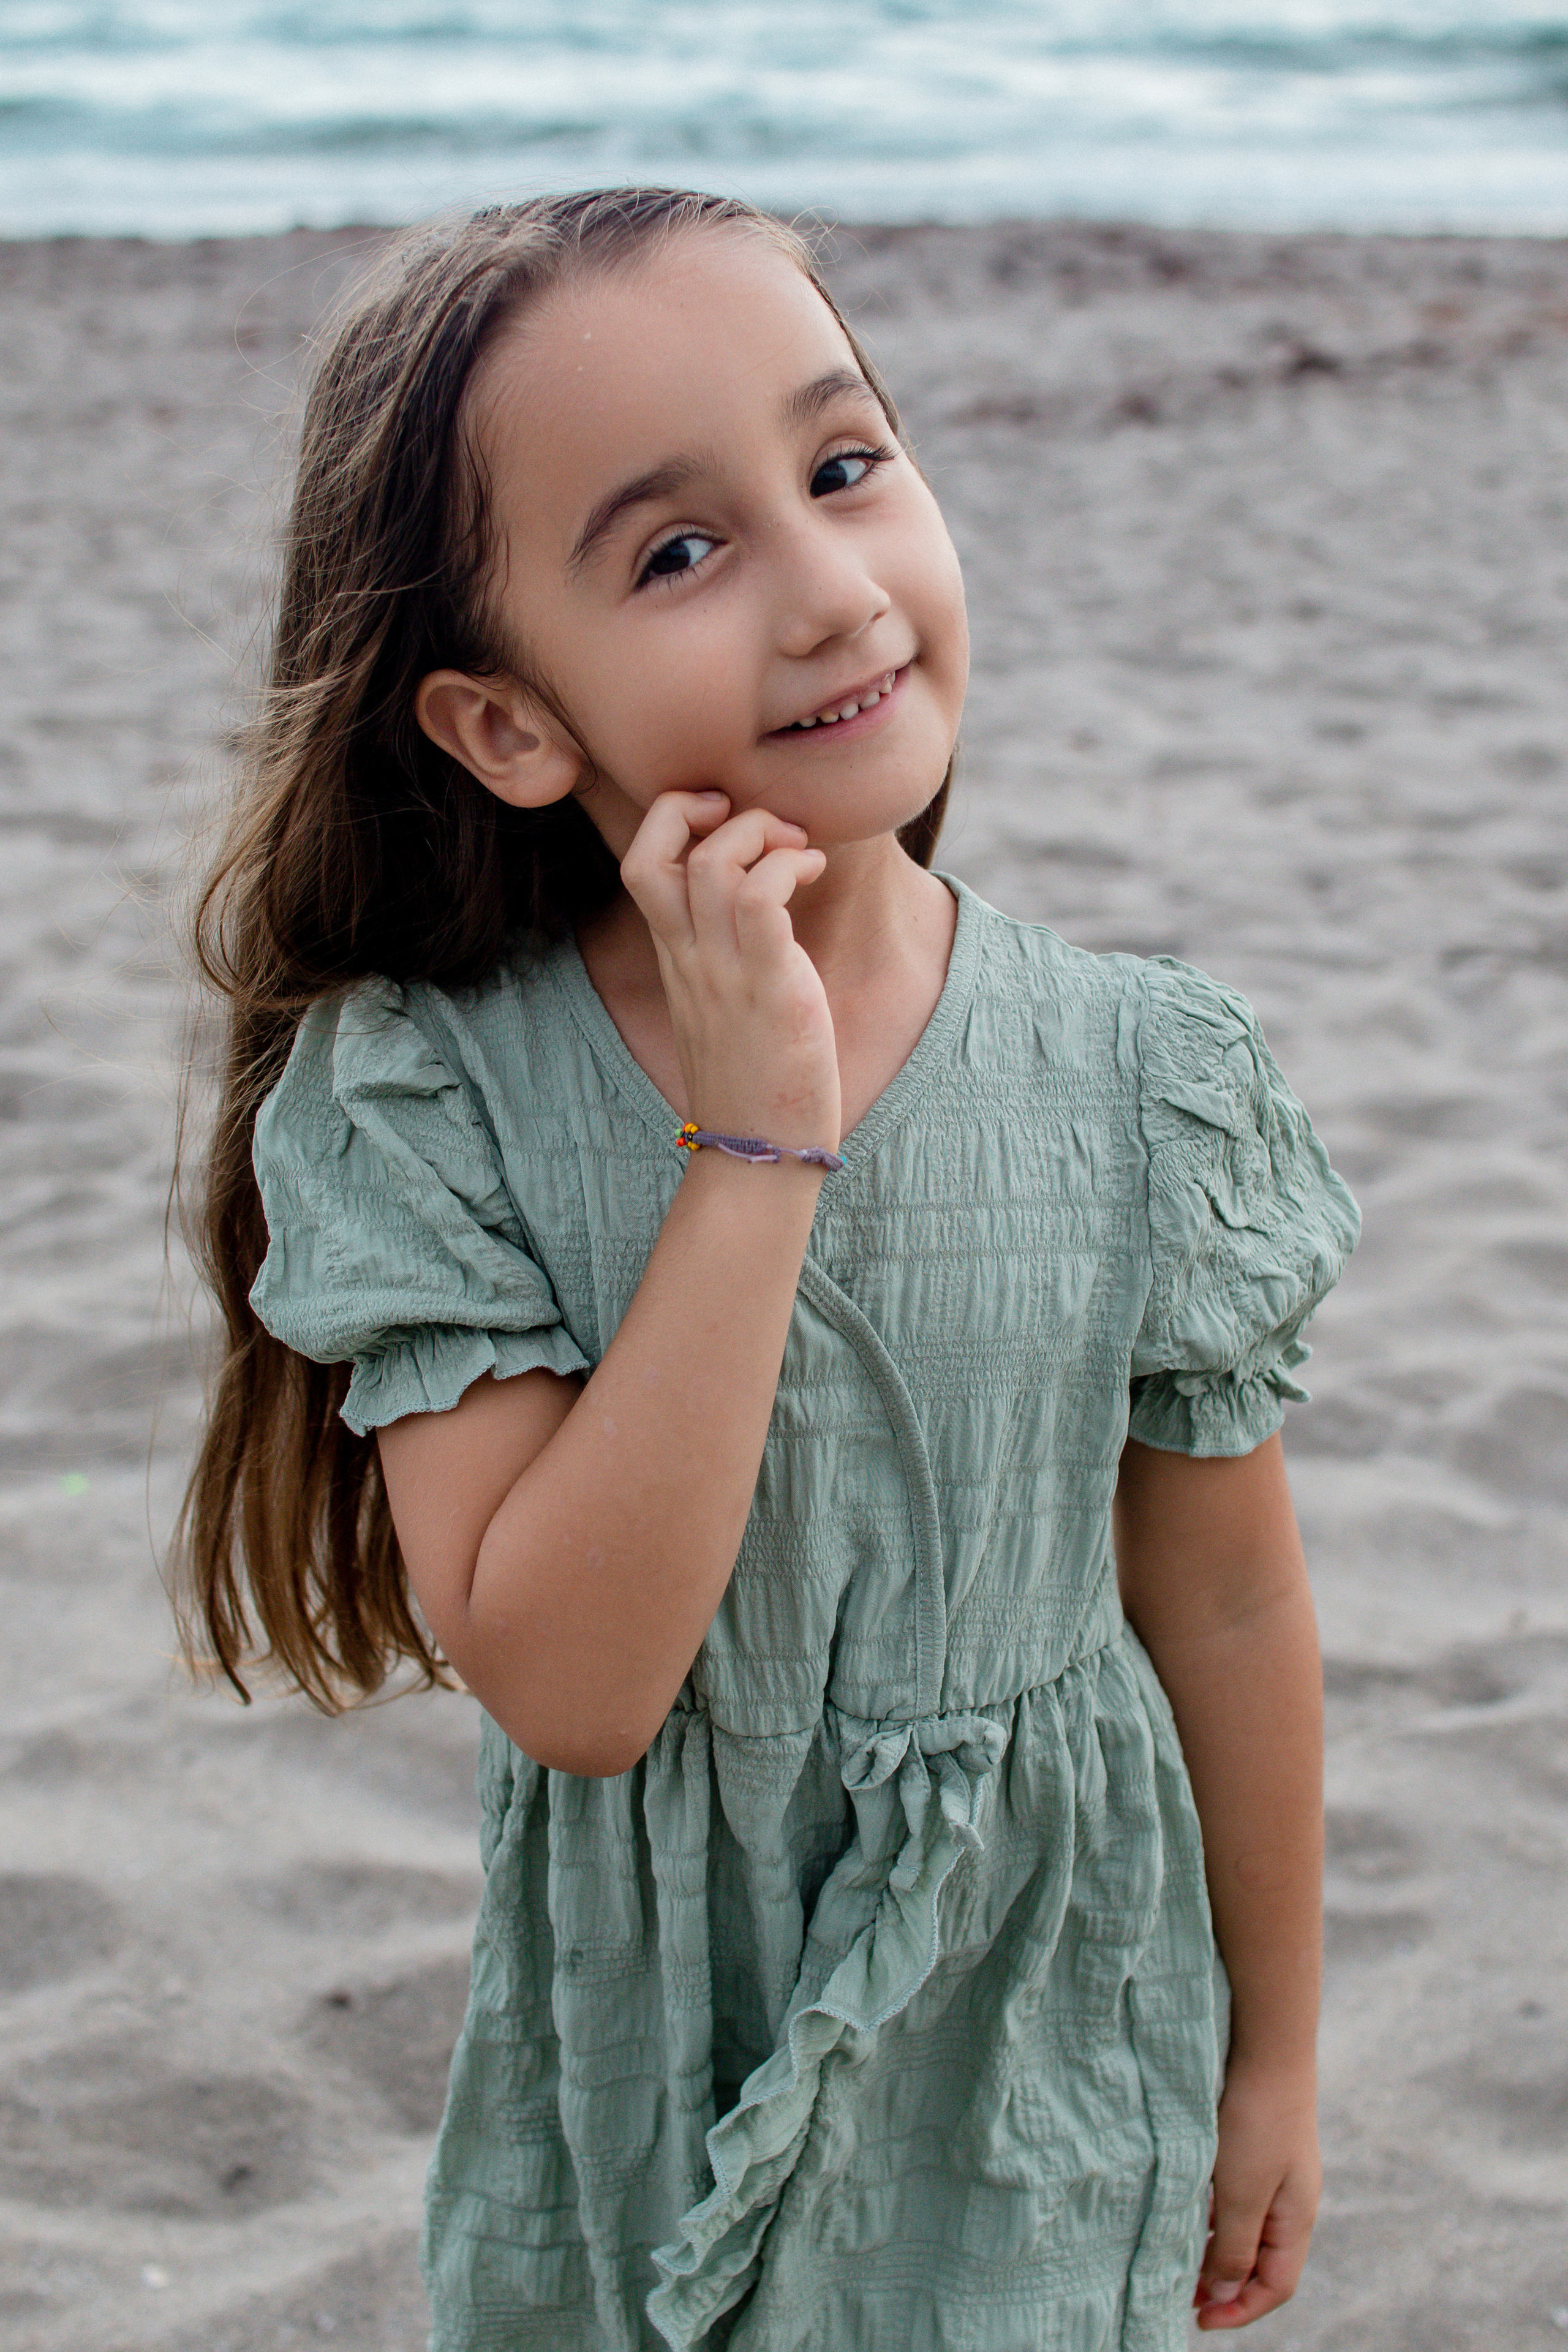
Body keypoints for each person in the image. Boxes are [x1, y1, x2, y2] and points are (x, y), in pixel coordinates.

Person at [174, 187, 1360, 2352]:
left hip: (1043, 2042)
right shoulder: (426, 1099)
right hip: (644, 2082)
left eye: (843, 469)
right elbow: (579, 1685)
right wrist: (753, 1146)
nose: (829, 592)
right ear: (509, 727)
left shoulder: (1142, 1072)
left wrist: (1275, 2055)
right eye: (680, 552)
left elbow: (1227, 1595)